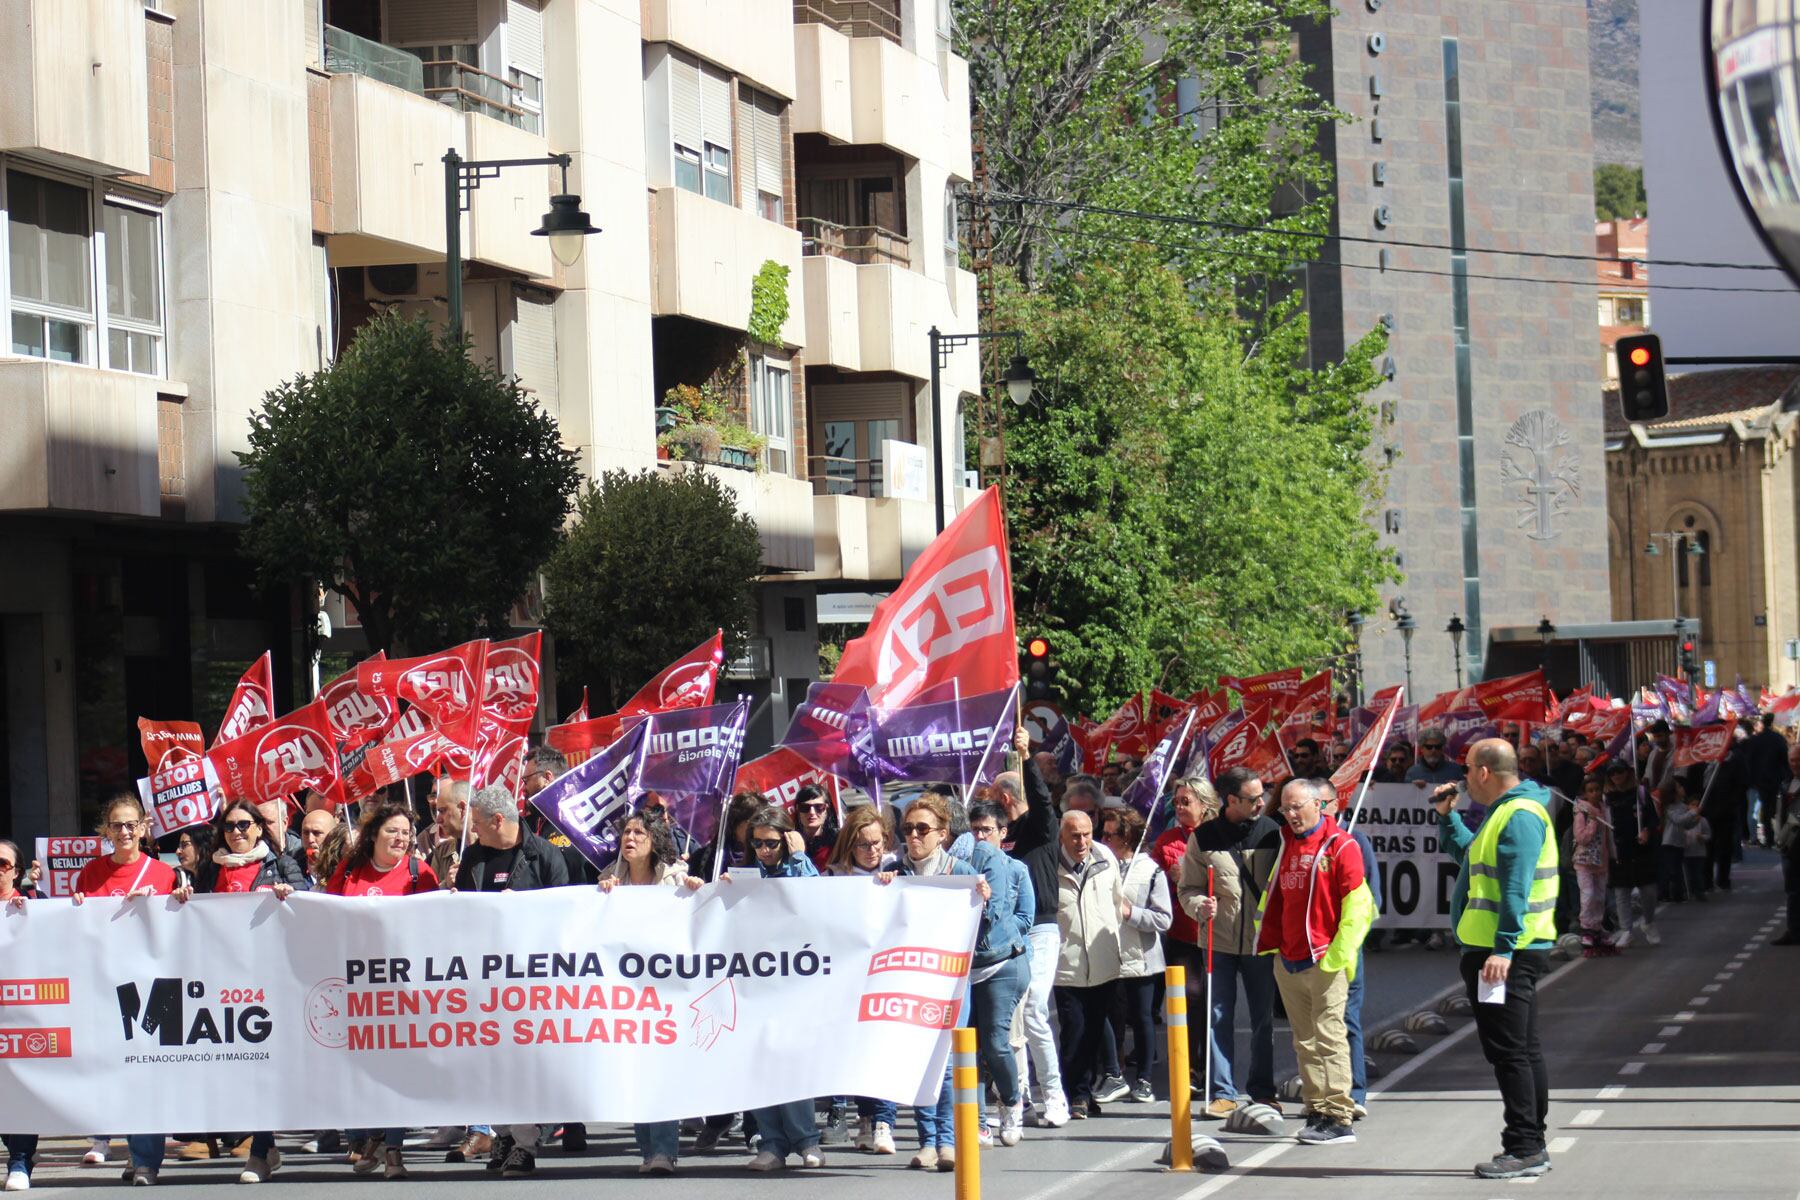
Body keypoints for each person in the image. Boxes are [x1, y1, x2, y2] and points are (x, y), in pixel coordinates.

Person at [1433, 738, 1559, 1180]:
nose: (1464, 777)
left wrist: (1503, 949)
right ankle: (1530, 1143)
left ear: (1484, 771)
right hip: (1500, 952)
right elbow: (1472, 860)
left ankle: (1524, 1145)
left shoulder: (1519, 816)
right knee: (1520, 1050)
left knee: (1511, 1053)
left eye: (1467, 769)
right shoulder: (1504, 812)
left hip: (1504, 955)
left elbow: (1515, 890)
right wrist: (1447, 819)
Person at [172, 803, 304, 1185]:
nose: (236, 831)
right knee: (241, 1070)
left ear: (259, 829)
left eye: (244, 824)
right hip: (223, 983)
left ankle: (259, 1153)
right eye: (229, 826)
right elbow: (193, 911)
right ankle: (265, 1144)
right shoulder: (210, 868)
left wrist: (291, 895)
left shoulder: (279, 865)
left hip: (272, 980)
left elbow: (312, 898)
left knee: (263, 1068)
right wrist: (185, 898)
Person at [71, 793, 184, 1186]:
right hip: (105, 986)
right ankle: (136, 1150)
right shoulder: (89, 874)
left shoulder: (162, 873)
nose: (124, 831)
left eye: (131, 824)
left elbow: (178, 930)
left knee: (146, 1070)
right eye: (116, 825)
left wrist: (177, 902)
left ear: (143, 827)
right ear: (106, 830)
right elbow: (77, 928)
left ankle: (146, 1160)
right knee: (117, 1072)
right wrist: (77, 906)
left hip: (151, 986)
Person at [1255, 778, 1374, 1146]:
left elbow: (1359, 907)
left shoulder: (1342, 845)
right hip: (1289, 958)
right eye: (1285, 809)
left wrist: (1338, 955)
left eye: (1296, 807)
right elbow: (1274, 899)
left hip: (1324, 958)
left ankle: (1340, 1115)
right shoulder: (1286, 844)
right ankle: (1318, 1108)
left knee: (1330, 1036)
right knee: (1304, 1041)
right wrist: (1270, 943)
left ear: (1318, 806)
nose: (1290, 815)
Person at [327, 802, 439, 1180]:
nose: (402, 838)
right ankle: (373, 1135)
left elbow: (435, 926)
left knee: (398, 1068)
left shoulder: (418, 872)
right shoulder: (350, 872)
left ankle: (394, 1149)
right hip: (356, 989)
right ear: (373, 834)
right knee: (363, 1071)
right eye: (393, 830)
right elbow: (323, 914)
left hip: (402, 990)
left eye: (407, 832)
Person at [890, 794, 991, 1170]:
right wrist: (881, 886)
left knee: (946, 1063)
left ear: (942, 833)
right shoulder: (895, 872)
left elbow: (985, 930)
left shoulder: (961, 872)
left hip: (951, 980)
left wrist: (984, 900)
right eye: (907, 829)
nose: (913, 836)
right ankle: (927, 1141)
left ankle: (947, 1140)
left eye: (922, 829)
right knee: (918, 1062)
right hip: (910, 980)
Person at [597, 811, 701, 1174]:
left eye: (639, 832)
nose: (630, 837)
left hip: (665, 991)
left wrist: (695, 891)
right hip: (626, 994)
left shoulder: (673, 878)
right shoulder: (610, 878)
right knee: (636, 1072)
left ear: (654, 840)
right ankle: (647, 1150)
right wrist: (603, 895)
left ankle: (665, 1152)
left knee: (661, 1073)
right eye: (626, 831)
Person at [1179, 767, 1280, 1120]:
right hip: (1217, 942)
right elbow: (1187, 888)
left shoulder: (1273, 833)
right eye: (1253, 798)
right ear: (1231, 800)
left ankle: (1263, 1091)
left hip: (1261, 943)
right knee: (1217, 1017)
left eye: (1262, 795)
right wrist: (1198, 906)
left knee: (1262, 1019)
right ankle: (1222, 1092)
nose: (1261, 802)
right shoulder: (1203, 837)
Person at [731, 806, 826, 1171]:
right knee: (759, 1064)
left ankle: (806, 1140)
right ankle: (771, 1143)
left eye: (771, 843)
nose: (764, 851)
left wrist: (800, 856)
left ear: (786, 839)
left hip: (794, 981)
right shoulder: (746, 875)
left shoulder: (798, 867)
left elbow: (819, 903)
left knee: (790, 1061)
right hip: (754, 982)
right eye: (757, 844)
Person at [992, 731, 1071, 1127]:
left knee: (1037, 1008)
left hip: (1040, 929)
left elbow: (1041, 801)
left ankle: (1054, 1096)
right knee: (1014, 1016)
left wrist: (1024, 757)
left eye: (995, 802)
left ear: (1006, 799)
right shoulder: (1001, 837)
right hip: (1010, 933)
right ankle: (1019, 1095)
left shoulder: (1040, 828)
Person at [824, 807, 900, 1155]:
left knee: (883, 1047)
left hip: (888, 973)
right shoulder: (834, 877)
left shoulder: (898, 870)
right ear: (849, 846)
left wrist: (894, 885)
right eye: (863, 844)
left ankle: (885, 1121)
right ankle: (866, 1118)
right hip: (848, 976)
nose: (872, 851)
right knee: (857, 1051)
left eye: (877, 843)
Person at [1052, 811, 1124, 1120]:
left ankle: (1088, 1089)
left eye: (1086, 834)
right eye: (1074, 835)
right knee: (1074, 1032)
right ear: (1062, 837)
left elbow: (1117, 902)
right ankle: (1076, 1094)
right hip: (1068, 966)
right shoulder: (1050, 864)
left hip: (1104, 962)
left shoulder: (1105, 857)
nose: (1082, 841)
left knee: (1094, 1032)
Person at [1097, 807, 1170, 1104]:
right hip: (1106, 953)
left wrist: (1131, 913)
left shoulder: (1151, 871)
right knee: (1104, 1015)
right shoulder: (1100, 865)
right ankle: (1113, 1074)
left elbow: (1164, 919)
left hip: (1141, 957)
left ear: (1127, 837)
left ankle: (1144, 1080)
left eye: (1109, 834)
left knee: (1141, 1018)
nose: (1103, 839)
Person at [1149, 776, 1217, 1089]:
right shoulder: (1167, 840)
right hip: (1182, 933)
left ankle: (1213, 1063)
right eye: (1176, 801)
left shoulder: (1217, 836)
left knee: (1214, 1002)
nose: (1179, 807)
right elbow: (1150, 883)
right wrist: (1168, 877)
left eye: (1186, 801)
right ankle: (1189, 1066)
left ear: (1205, 805)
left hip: (1218, 934)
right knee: (1189, 996)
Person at [1321, 783, 1381, 1117]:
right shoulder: (1296, 842)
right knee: (1315, 1026)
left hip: (1344, 949)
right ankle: (1323, 1093)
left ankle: (1354, 1092)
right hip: (1308, 950)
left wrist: (1349, 942)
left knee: (1346, 1019)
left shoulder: (1354, 841)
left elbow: (1372, 899)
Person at [2, 839, 39, 1193]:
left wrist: (28, 914)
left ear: (17, 871)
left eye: (3, 864)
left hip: (23, 1013)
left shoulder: (34, 909)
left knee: (22, 1085)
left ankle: (20, 1159)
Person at [1604, 761, 1660, 948]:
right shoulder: (1607, 798)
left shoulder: (1640, 794)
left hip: (1641, 848)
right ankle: (1627, 930)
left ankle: (1649, 922)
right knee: (1621, 892)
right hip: (1619, 848)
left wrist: (1646, 831)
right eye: (1612, 773)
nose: (1616, 776)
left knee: (1649, 891)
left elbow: (1653, 818)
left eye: (1620, 772)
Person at [1571, 775, 1615, 956]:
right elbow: (1582, 838)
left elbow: (1608, 839)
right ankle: (1586, 928)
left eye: (1597, 789)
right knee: (1587, 895)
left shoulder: (1604, 809)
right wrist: (1592, 821)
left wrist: (1613, 856)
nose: (1595, 793)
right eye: (1591, 790)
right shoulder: (1582, 812)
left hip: (1601, 861)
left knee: (1599, 896)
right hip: (1584, 862)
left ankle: (1597, 927)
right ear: (1585, 793)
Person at [1658, 775, 1699, 904]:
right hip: (1669, 842)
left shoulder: (1683, 806)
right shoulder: (1669, 807)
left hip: (1679, 842)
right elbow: (1678, 820)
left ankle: (1678, 893)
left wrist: (1694, 819)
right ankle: (1667, 893)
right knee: (1672, 870)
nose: (1682, 788)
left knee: (1678, 869)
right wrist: (1692, 813)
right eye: (1679, 787)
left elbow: (1686, 824)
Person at [1775, 743, 1800, 945]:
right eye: (1792, 760)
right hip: (1789, 845)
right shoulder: (1786, 783)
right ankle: (1793, 931)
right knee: (1792, 890)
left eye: (1798, 759)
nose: (1795, 764)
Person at [426, 777, 469, 884]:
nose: (438, 819)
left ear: (462, 808)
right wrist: (446, 884)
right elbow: (430, 896)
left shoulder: (493, 847)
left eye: (443, 811)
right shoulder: (441, 852)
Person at [792, 786, 838, 871]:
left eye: (819, 807)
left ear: (827, 810)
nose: (812, 812)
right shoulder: (790, 841)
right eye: (805, 807)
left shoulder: (839, 841)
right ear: (797, 810)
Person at [297, 807, 338, 887]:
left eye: (317, 833)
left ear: (332, 835)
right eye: (305, 832)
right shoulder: (292, 866)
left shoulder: (344, 867)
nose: (310, 839)